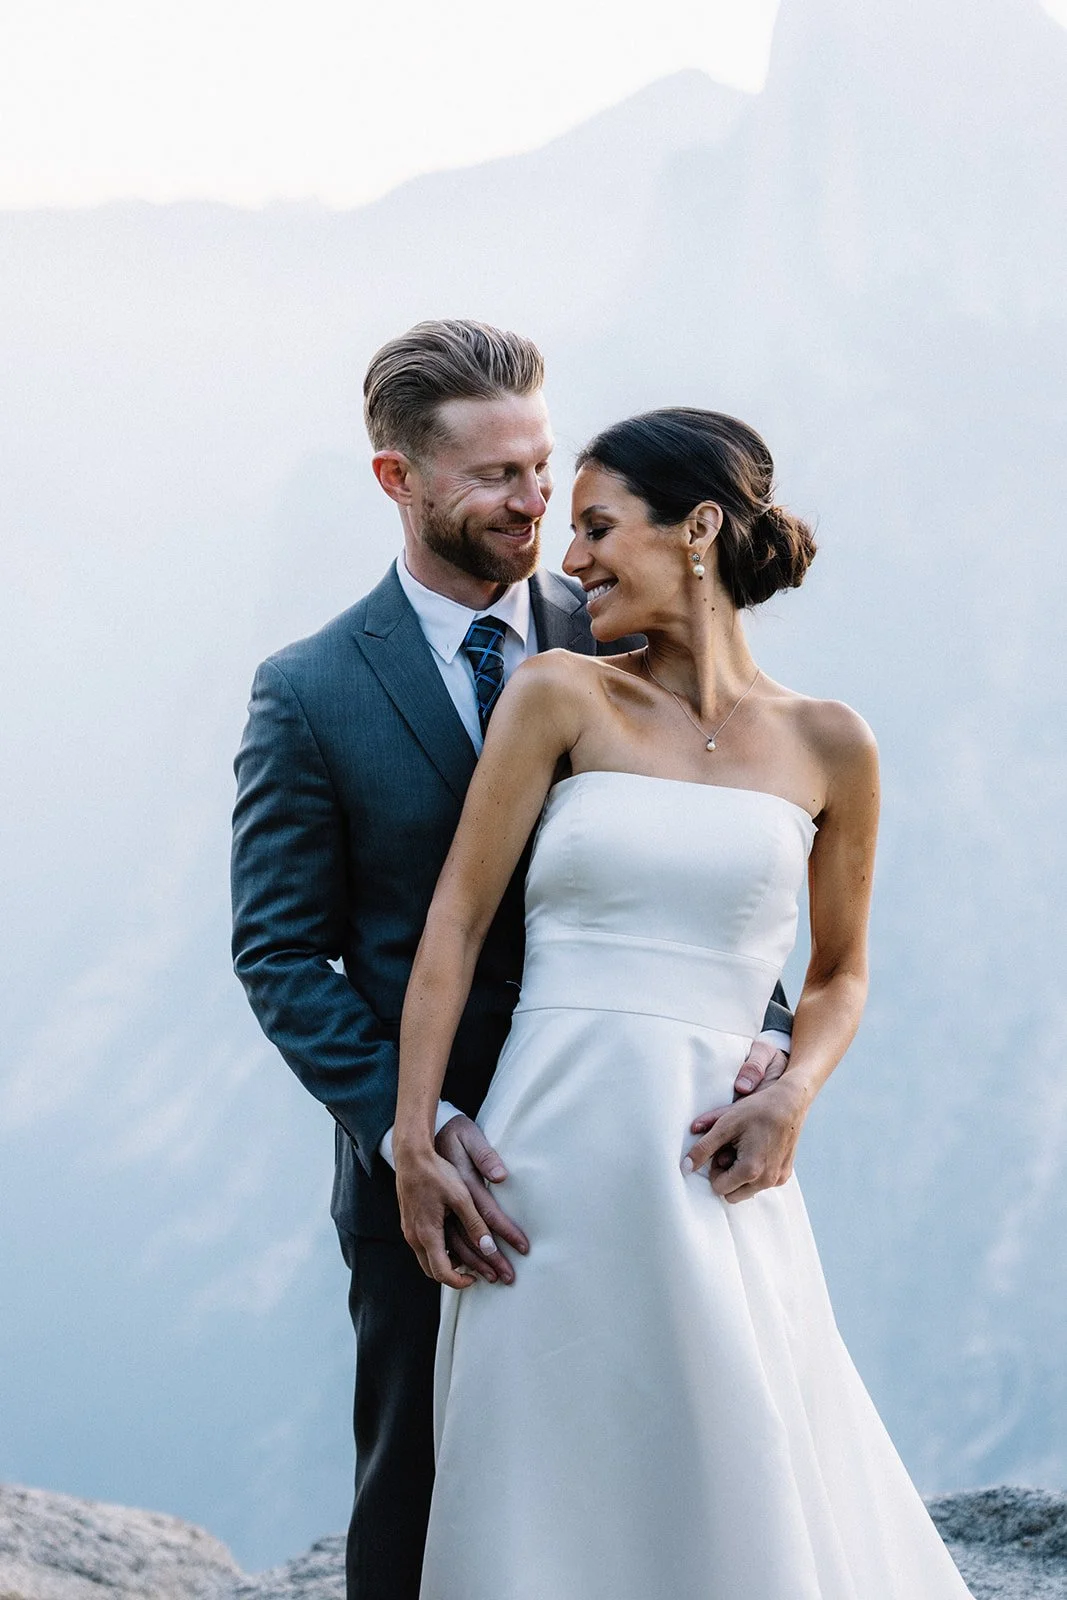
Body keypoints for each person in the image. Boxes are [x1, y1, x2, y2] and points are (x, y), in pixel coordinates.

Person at [229, 325, 793, 1600]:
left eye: (542, 465)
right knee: (423, 1502)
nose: (536, 503)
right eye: (495, 476)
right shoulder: (309, 691)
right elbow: (278, 950)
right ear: (398, 480)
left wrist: (763, 1037)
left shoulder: (625, 632)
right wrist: (409, 1126)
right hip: (439, 1184)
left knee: (664, 1479)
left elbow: (721, 847)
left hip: (646, 1150)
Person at [393, 408, 975, 1599]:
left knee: (735, 1479)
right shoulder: (559, 696)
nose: (571, 559)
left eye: (598, 527)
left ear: (697, 527)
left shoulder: (831, 743)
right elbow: (451, 925)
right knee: (540, 1500)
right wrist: (413, 1137)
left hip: (711, 1166)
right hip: (540, 1169)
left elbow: (836, 973)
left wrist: (794, 1093)